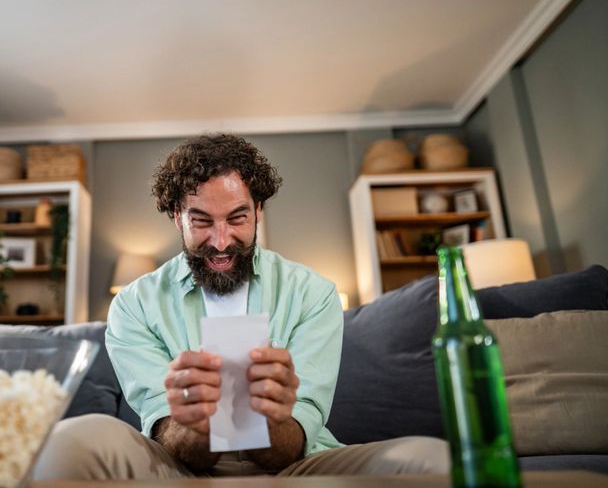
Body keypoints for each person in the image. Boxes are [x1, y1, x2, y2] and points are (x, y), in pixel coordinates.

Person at [34, 133, 448, 480]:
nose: (220, 240)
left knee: (430, 460)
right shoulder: (134, 305)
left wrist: (274, 415)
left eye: (236, 218)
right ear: (177, 216)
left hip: (299, 466)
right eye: (201, 221)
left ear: (259, 211)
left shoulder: (312, 293)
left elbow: (290, 448)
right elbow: (172, 440)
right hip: (179, 469)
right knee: (70, 441)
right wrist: (191, 421)